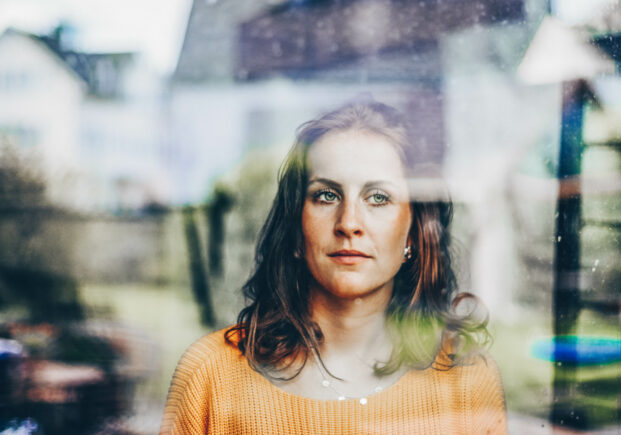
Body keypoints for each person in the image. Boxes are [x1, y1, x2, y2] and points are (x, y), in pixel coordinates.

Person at [160, 100, 507, 434]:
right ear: (296, 228)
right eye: (326, 195)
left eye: (378, 197)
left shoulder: (466, 379)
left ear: (414, 234)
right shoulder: (211, 374)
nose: (349, 223)